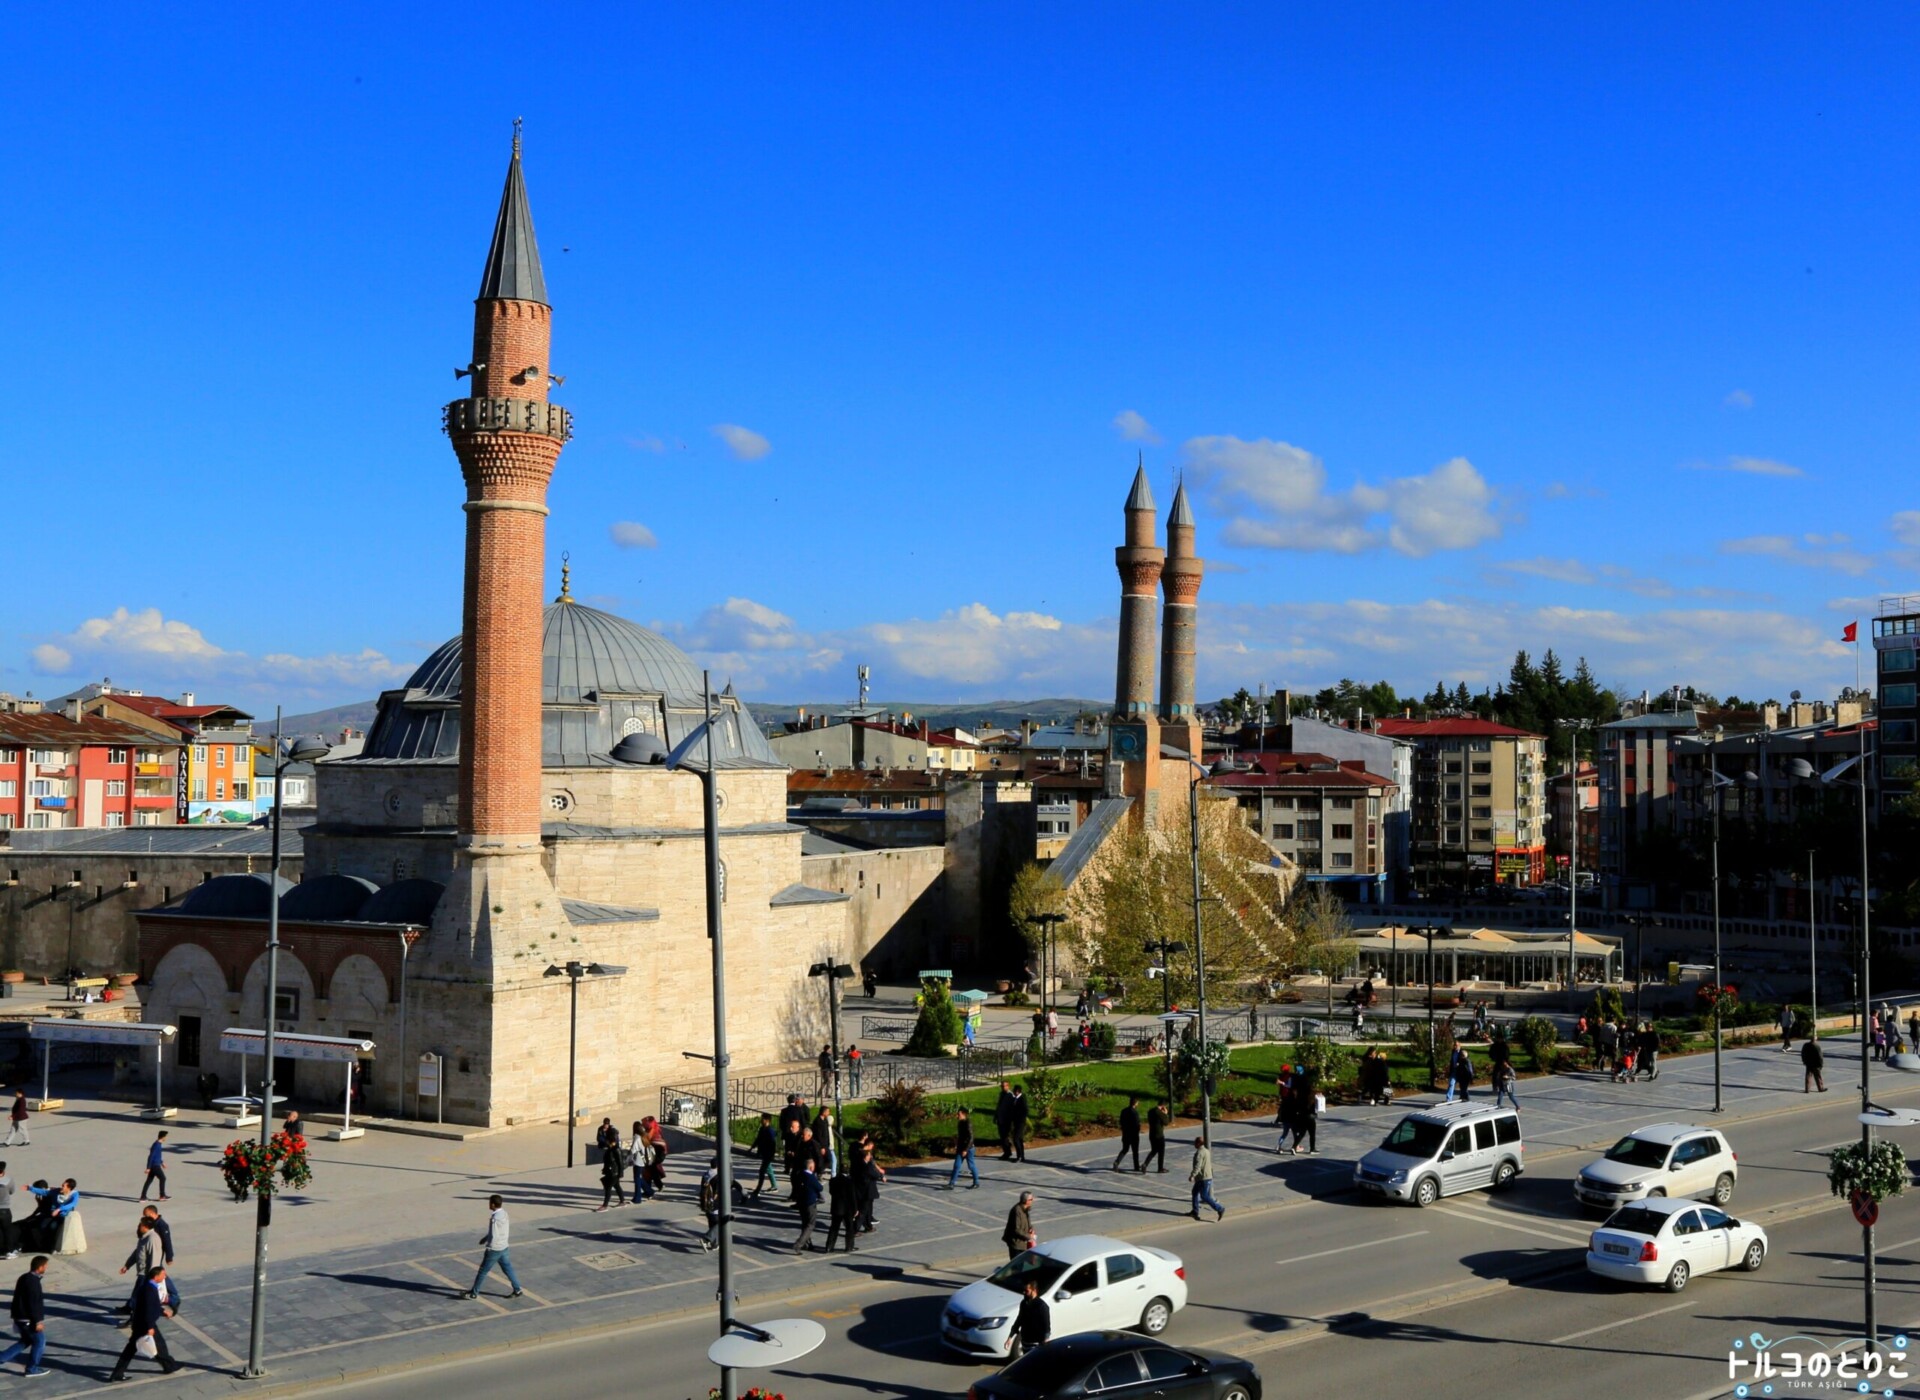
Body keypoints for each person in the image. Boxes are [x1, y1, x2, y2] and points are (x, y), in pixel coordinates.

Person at [109, 1265, 181, 1380]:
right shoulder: (150, 1289)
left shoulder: (147, 1286)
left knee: (131, 1349)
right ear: (156, 1276)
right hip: (145, 1324)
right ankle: (169, 1366)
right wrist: (150, 1327)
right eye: (163, 1274)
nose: (165, 1276)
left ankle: (117, 1373)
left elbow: (151, 1305)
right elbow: (148, 1309)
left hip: (140, 1322)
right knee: (159, 1345)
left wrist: (163, 1311)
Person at [460, 1195, 523, 1300]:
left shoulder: (494, 1218)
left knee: (482, 1271)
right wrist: (485, 1238)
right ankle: (517, 1289)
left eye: (489, 1203)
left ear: (493, 1204)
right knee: (508, 1269)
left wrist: (489, 1247)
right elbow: (499, 1231)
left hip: (494, 1249)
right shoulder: (504, 1214)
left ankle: (474, 1293)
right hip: (504, 1247)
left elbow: (494, 1234)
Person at [0, 1254, 47, 1377]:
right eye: (45, 1266)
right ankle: (32, 1368)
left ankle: (1, 1357)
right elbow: (33, 1303)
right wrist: (38, 1321)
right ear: (40, 1267)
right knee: (40, 1342)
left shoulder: (24, 1277)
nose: (46, 1268)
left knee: (25, 1341)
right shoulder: (33, 1282)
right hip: (28, 1319)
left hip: (20, 1317)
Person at [1011, 1279, 1050, 1361]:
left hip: (1035, 1344)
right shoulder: (1024, 1303)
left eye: (1026, 1290)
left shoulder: (1042, 1306)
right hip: (1025, 1342)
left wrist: (1045, 1342)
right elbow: (1020, 1319)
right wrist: (1011, 1335)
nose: (1024, 1292)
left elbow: (1047, 1327)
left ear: (1034, 1290)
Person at [1188, 1138, 1225, 1221]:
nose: (1194, 1144)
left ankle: (1220, 1209)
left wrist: (1192, 1176)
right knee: (1194, 1192)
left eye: (1195, 1143)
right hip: (1206, 1176)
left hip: (1203, 1178)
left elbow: (1198, 1166)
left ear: (1198, 1144)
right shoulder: (1206, 1151)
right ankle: (1195, 1211)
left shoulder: (1200, 1153)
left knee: (1204, 1196)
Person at [791, 1159, 823, 1253]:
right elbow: (820, 1187)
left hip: (801, 1202)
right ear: (811, 1167)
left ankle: (807, 1243)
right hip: (810, 1203)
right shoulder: (811, 1177)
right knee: (811, 1224)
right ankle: (799, 1243)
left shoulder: (799, 1174)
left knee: (805, 1223)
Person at [823, 1170, 859, 1252]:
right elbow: (853, 1197)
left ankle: (829, 1246)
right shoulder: (850, 1181)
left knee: (834, 1228)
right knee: (849, 1228)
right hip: (848, 1209)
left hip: (836, 1207)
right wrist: (855, 1209)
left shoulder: (833, 1180)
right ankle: (849, 1247)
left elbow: (831, 1192)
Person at [945, 1109, 979, 1189]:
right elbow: (961, 1136)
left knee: (971, 1166)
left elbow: (971, 1138)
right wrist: (957, 1143)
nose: (957, 1116)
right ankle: (951, 1184)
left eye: (958, 1114)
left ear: (964, 1114)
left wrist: (966, 1150)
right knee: (956, 1166)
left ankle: (976, 1182)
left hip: (969, 1149)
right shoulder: (960, 1123)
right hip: (961, 1148)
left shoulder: (968, 1123)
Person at [596, 1127, 628, 1212]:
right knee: (617, 1186)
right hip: (611, 1171)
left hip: (614, 1172)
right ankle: (622, 1201)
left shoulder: (616, 1149)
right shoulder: (610, 1148)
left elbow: (620, 1162)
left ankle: (605, 1205)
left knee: (608, 1187)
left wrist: (620, 1173)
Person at [748, 1113, 779, 1200]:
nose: (761, 1120)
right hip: (764, 1153)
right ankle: (774, 1186)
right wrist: (752, 1147)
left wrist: (771, 1154)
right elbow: (758, 1139)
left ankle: (758, 1190)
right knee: (768, 1169)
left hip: (768, 1154)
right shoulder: (762, 1129)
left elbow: (772, 1144)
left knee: (762, 1171)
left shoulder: (770, 1131)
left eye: (762, 1119)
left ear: (767, 1120)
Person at [1002, 1191, 1036, 1261]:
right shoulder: (1017, 1211)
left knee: (1022, 1264)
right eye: (1031, 1199)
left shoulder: (1026, 1209)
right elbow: (1017, 1230)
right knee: (1016, 1265)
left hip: (1023, 1243)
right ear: (1026, 1201)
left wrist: (1031, 1229)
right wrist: (1029, 1236)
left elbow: (1028, 1222)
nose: (1033, 1201)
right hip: (1016, 1244)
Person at [697, 1157, 721, 1252]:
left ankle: (714, 1244)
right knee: (720, 1224)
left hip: (705, 1204)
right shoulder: (718, 1177)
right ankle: (706, 1238)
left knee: (712, 1225)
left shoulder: (705, 1175)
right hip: (714, 1205)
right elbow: (716, 1194)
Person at [1113, 1095, 1142, 1172]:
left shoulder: (1124, 1111)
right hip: (1134, 1135)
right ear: (1135, 1103)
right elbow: (1137, 1125)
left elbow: (1121, 1122)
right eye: (1137, 1103)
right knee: (1135, 1151)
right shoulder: (1135, 1113)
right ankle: (1136, 1166)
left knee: (1125, 1149)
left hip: (1125, 1134)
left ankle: (1117, 1162)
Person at [139, 1131, 170, 1203]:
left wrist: (162, 1163)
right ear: (163, 1137)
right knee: (163, 1178)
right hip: (154, 1166)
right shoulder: (156, 1145)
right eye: (166, 1136)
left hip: (155, 1165)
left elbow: (157, 1156)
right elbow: (151, 1156)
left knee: (149, 1181)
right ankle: (162, 1196)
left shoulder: (158, 1144)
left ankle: (143, 1197)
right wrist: (148, 1167)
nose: (166, 1138)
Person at [1143, 1101, 1169, 1173]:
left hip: (1152, 1134)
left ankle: (1145, 1164)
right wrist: (1165, 1114)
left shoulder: (1151, 1111)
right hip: (1159, 1135)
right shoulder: (1160, 1113)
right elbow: (1166, 1122)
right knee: (1161, 1152)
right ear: (1163, 1106)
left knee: (1154, 1150)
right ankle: (1160, 1168)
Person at [1006, 1085, 1029, 1163]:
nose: (1013, 1092)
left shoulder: (1022, 1099)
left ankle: (1019, 1156)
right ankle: (1022, 1156)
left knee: (1016, 1139)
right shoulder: (1015, 1099)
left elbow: (1025, 1111)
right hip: (1016, 1122)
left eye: (1014, 1091)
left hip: (1020, 1122)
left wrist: (1019, 1119)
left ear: (1017, 1091)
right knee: (1019, 1139)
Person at [994, 1082, 1017, 1160]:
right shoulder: (1002, 1094)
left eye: (1005, 1086)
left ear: (1008, 1086)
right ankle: (1007, 1151)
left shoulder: (1010, 1095)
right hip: (1000, 1119)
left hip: (1006, 1120)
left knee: (1005, 1137)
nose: (1003, 1087)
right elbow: (999, 1106)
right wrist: (996, 1116)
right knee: (1002, 1136)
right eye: (1002, 1086)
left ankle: (1008, 1152)